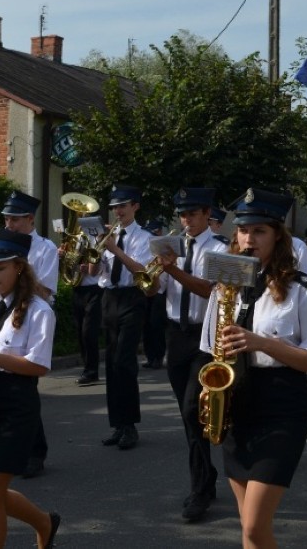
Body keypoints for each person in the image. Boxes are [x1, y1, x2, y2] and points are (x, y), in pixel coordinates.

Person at [199, 187, 307, 548]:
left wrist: (263, 342)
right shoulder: (226, 285)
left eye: (259, 231)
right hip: (237, 402)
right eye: (243, 231)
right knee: (247, 530)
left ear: (277, 236)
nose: (248, 239)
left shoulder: (304, 289)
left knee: (256, 527)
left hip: (282, 404)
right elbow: (213, 351)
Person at [0, 227, 59, 549]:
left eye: (0, 268)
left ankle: (44, 524)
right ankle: (44, 523)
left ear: (18, 267)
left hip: (17, 407)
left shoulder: (39, 310)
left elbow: (40, 366)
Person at [154, 187, 228, 521]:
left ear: (206, 214)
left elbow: (207, 288)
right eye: (182, 215)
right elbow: (156, 288)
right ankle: (205, 475)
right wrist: (154, 274)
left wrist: (171, 270)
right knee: (188, 416)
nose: (186, 220)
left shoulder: (220, 249)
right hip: (175, 333)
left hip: (204, 335)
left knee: (190, 409)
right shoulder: (174, 245)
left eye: (193, 214)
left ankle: (200, 490)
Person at [1, 190, 58, 478]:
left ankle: (36, 451)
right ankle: (18, 448)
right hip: (7, 314)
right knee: (8, 387)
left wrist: (19, 275)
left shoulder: (45, 248)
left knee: (27, 386)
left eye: (14, 219)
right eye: (6, 219)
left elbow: (46, 290)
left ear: (29, 219)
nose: (9, 224)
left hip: (33, 315)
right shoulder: (4, 245)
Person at [92, 184, 152, 450]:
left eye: (123, 206)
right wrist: (93, 252)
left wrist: (115, 249)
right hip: (109, 299)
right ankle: (117, 424)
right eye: (115, 207)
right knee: (112, 364)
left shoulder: (144, 237)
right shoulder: (109, 236)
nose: (118, 211)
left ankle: (130, 426)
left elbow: (141, 270)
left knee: (125, 362)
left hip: (132, 298)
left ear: (135, 206)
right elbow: (95, 272)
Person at [140, 218, 168, 370]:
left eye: (157, 231)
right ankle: (150, 356)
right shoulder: (146, 247)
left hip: (160, 291)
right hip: (145, 290)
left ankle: (159, 356)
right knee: (146, 325)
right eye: (153, 231)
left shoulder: (163, 247)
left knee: (156, 325)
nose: (156, 234)